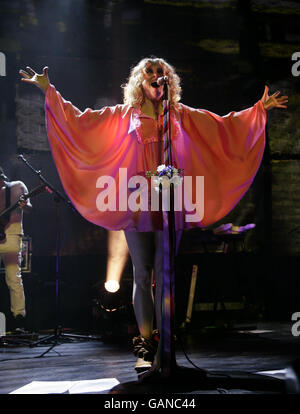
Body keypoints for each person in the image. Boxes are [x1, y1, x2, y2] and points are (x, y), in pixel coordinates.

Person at [19, 57, 287, 371]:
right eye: (151, 72)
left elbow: (222, 125)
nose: (157, 76)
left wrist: (258, 110)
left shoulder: (180, 114)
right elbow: (81, 121)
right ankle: (145, 345)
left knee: (166, 275)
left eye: (162, 73)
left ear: (168, 80)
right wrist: (49, 91)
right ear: (140, 81)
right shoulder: (124, 114)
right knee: (143, 273)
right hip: (135, 196)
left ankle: (166, 348)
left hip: (170, 196)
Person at [0, 166, 32, 332]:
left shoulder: (18, 186)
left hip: (12, 236)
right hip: (8, 236)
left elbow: (29, 208)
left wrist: (24, 203)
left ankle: (19, 319)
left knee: (13, 278)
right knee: (14, 279)